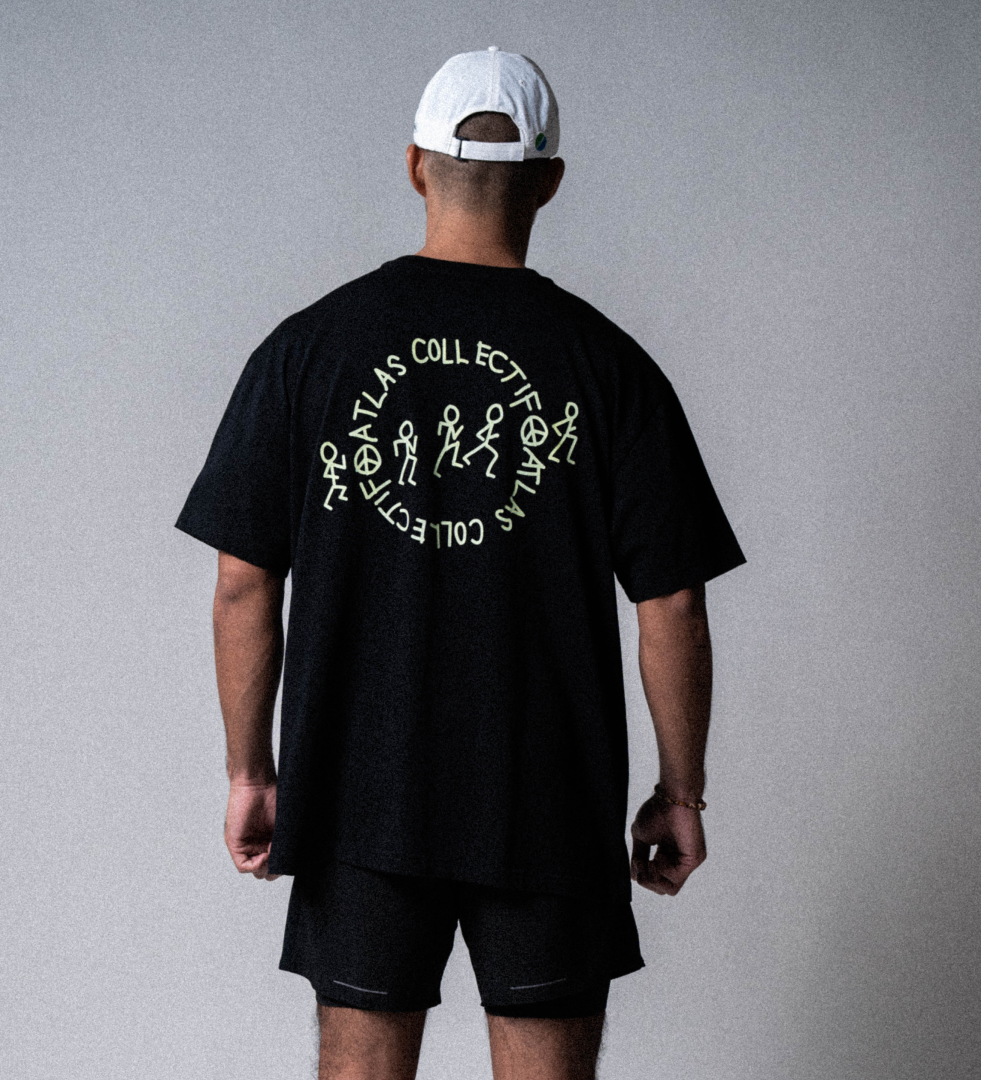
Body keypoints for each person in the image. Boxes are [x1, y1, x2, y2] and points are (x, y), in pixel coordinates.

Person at [176, 47, 745, 1080]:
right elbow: (673, 603)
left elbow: (242, 581)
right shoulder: (608, 365)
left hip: (357, 795)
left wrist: (252, 773)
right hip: (547, 800)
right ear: (550, 183)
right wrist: (681, 793)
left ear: (414, 168)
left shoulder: (308, 351)